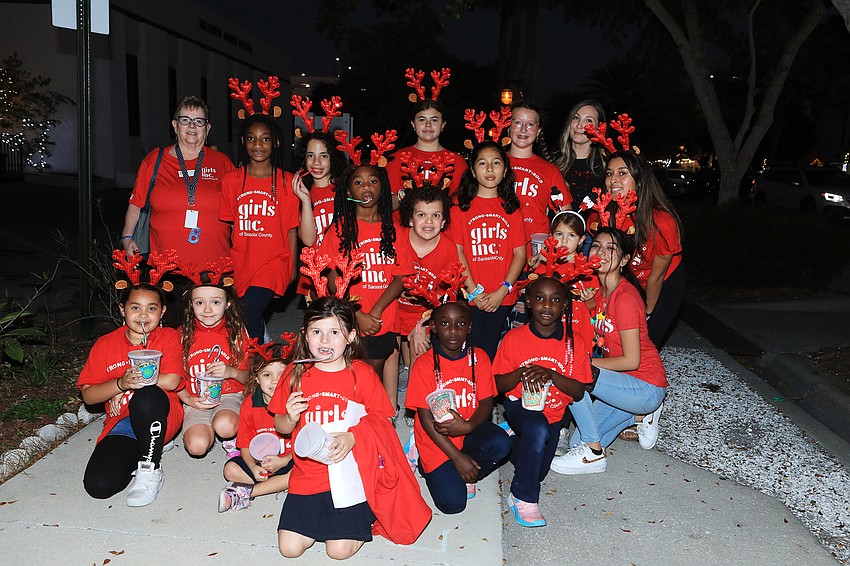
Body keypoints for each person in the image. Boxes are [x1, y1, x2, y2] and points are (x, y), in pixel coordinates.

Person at [269, 297, 419, 560]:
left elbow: (382, 421)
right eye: (317, 332)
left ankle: (365, 513)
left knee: (338, 552)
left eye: (334, 332)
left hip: (351, 477)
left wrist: (353, 437)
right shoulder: (295, 374)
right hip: (308, 477)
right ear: (305, 336)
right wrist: (289, 417)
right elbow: (279, 424)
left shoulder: (360, 373)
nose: (325, 341)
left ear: (350, 336)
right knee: (289, 549)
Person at [549, 228, 667, 475]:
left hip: (644, 385)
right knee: (574, 443)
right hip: (624, 388)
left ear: (624, 260)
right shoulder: (601, 293)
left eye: (610, 248)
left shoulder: (625, 298)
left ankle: (593, 454)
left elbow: (632, 360)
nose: (600, 252)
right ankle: (639, 417)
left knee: (575, 372)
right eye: (596, 246)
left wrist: (585, 363)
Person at [494, 275, 597, 527]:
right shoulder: (514, 339)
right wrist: (521, 373)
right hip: (520, 405)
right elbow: (497, 385)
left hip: (553, 414)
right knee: (536, 430)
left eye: (555, 300)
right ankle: (524, 498)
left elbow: (578, 392)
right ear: (528, 303)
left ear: (564, 306)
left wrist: (550, 374)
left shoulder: (574, 343)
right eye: (539, 299)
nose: (547, 305)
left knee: (537, 469)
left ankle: (513, 438)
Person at [404, 281, 511, 515]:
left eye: (460, 324)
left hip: (468, 431)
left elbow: (486, 402)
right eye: (445, 324)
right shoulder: (424, 365)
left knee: (502, 442)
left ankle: (462, 469)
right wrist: (457, 458)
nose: (453, 330)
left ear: (470, 327)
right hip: (436, 440)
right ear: (433, 327)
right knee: (453, 505)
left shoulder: (480, 358)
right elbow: (424, 417)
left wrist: (469, 425)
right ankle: (424, 460)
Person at [317, 152, 412, 410]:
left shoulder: (396, 230)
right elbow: (332, 276)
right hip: (349, 315)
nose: (366, 187)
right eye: (358, 182)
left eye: (372, 181)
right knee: (348, 373)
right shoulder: (338, 229)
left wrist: (376, 312)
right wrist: (357, 314)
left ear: (383, 187)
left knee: (373, 375)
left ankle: (375, 420)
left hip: (382, 317)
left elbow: (401, 277)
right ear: (348, 191)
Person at [78, 280, 184, 507]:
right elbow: (89, 396)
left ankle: (150, 467)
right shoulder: (106, 344)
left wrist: (134, 384)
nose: (143, 315)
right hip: (123, 420)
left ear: (162, 311)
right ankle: (142, 449)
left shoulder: (167, 337)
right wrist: (119, 384)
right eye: (135, 307)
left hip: (159, 413)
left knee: (147, 395)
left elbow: (172, 380)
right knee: (99, 486)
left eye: (152, 308)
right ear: (121, 309)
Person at [121, 96, 235, 304]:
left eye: (199, 121)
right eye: (185, 120)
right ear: (175, 125)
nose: (192, 126)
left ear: (207, 128)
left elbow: (239, 209)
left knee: (211, 333)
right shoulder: (155, 161)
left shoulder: (222, 163)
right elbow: (136, 204)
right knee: (170, 333)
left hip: (214, 269)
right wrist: (127, 238)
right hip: (166, 270)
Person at [219, 113, 315, 340]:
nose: (258, 145)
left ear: (276, 143)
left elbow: (292, 230)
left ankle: (255, 363)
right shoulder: (231, 181)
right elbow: (229, 229)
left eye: (265, 139)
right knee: (245, 316)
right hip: (242, 263)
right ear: (243, 141)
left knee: (247, 311)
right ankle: (266, 347)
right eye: (251, 138)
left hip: (274, 262)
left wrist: (291, 270)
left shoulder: (287, 182)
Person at [449, 141, 526, 361]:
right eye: (482, 163)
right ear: (473, 171)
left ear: (505, 170)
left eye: (496, 163)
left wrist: (503, 291)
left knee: (489, 352)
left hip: (502, 297)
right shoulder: (460, 206)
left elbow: (520, 254)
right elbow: (458, 252)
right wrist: (474, 291)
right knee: (466, 352)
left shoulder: (511, 208)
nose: (490, 169)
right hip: (471, 296)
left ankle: (485, 394)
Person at [177, 273, 250, 457]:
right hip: (196, 400)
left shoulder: (236, 333)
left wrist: (231, 372)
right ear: (191, 305)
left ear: (228, 304)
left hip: (229, 395)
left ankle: (232, 439)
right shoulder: (181, 335)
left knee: (225, 426)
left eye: (215, 302)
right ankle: (203, 429)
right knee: (197, 447)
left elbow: (252, 377)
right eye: (200, 303)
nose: (207, 310)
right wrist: (188, 400)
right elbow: (172, 376)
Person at [218, 342, 293, 512]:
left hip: (290, 459)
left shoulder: (295, 402)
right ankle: (280, 484)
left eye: (281, 374)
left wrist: (283, 461)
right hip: (263, 463)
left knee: (306, 472)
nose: (275, 381)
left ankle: (246, 492)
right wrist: (253, 467)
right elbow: (245, 444)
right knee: (230, 470)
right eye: (267, 375)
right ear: (257, 378)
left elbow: (303, 446)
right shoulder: (249, 404)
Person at [396, 182, 458, 374]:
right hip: (393, 309)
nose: (429, 222)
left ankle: (414, 390)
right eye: (421, 215)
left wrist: (423, 324)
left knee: (419, 348)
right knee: (387, 348)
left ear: (444, 221)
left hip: (422, 313)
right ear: (411, 219)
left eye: (436, 215)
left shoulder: (448, 248)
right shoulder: (397, 239)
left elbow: (447, 296)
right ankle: (402, 371)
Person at [507, 100, 571, 241]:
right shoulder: (494, 164)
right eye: (517, 122)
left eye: (530, 124)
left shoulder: (550, 171)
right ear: (509, 126)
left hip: (535, 249)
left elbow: (567, 217)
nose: (523, 129)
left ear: (538, 131)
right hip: (498, 246)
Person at [386, 98, 468, 198]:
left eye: (434, 120)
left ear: (443, 124)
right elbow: (388, 203)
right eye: (422, 119)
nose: (428, 125)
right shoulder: (396, 158)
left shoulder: (457, 161)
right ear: (413, 124)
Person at [553, 100, 607, 208]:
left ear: (599, 128)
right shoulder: (552, 160)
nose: (579, 125)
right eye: (576, 118)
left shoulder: (607, 165)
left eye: (588, 120)